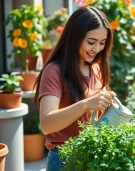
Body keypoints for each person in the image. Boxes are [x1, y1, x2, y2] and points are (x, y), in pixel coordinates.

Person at [34, 6, 116, 171]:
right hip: (64, 160)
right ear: (74, 38)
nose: (97, 49)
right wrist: (86, 104)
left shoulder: (96, 68)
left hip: (92, 158)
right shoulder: (54, 71)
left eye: (102, 43)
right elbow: (47, 124)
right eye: (91, 42)